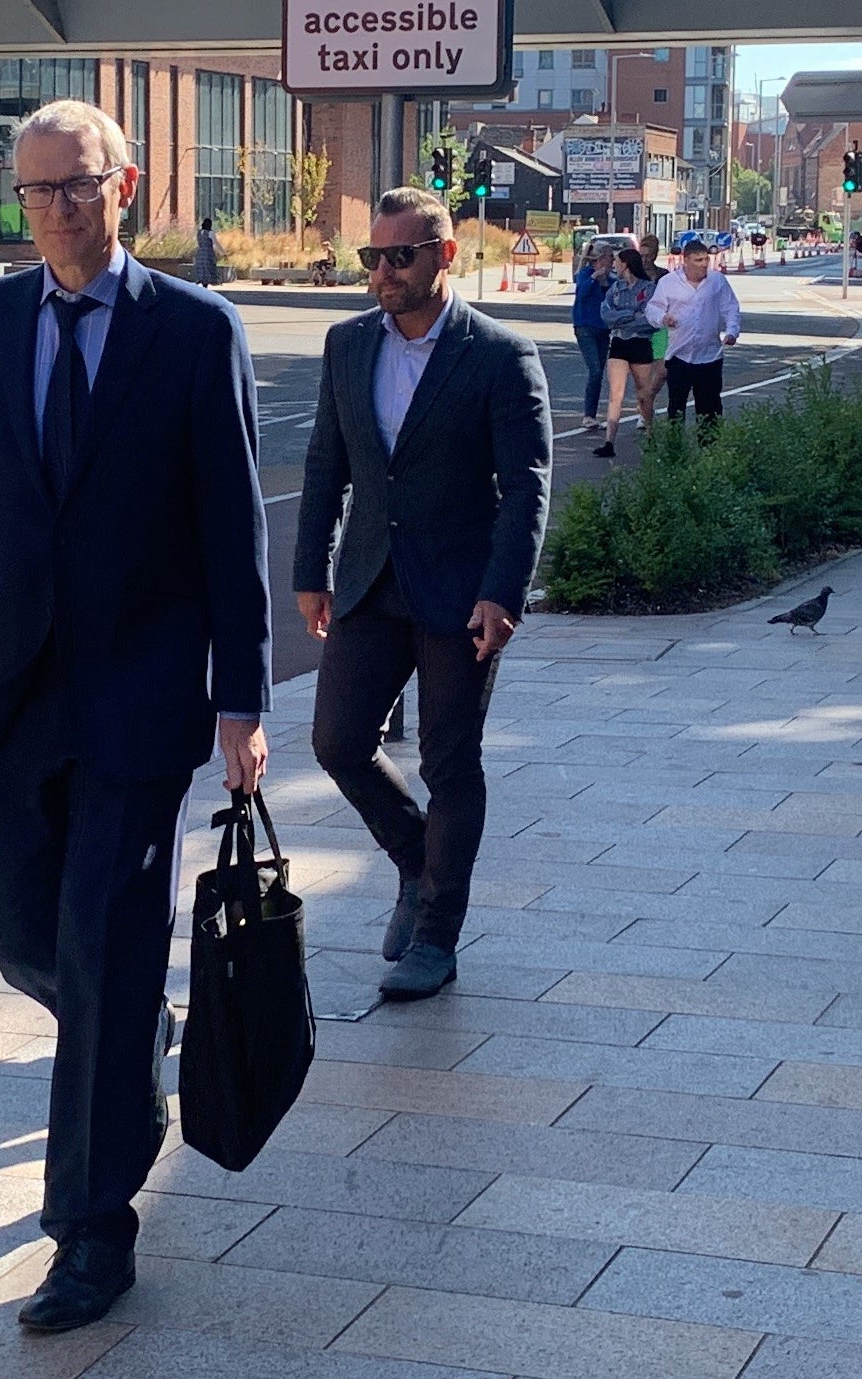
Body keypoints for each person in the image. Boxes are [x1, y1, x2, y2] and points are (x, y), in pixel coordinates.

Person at [0, 99, 271, 1334]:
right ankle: (130, 1032)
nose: (55, 213)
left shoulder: (193, 331)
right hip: (13, 694)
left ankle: (88, 1231)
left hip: (139, 701)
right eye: (33, 194)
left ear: (123, 186)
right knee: (21, 933)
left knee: (102, 936)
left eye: (76, 187)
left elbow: (232, 527)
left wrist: (241, 696)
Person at [293, 186, 553, 1002]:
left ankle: (437, 935)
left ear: (446, 255)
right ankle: (416, 856)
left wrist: (502, 593)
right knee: (337, 740)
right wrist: (310, 572)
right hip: (370, 582)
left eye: (400, 256)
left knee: (450, 761)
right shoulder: (347, 345)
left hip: (458, 594)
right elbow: (325, 466)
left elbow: (528, 486)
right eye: (373, 256)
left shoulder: (500, 356)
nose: (383, 272)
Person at [645, 238, 740, 434]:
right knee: (676, 407)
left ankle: (710, 452)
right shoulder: (668, 283)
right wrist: (663, 318)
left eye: (705, 259)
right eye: (698, 260)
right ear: (685, 260)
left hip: (710, 356)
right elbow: (652, 309)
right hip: (680, 355)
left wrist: (732, 331)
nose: (704, 264)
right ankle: (675, 448)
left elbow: (731, 307)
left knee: (710, 409)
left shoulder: (716, 281)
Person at [593, 248, 657, 459]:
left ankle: (651, 435)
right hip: (619, 342)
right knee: (615, 394)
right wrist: (630, 314)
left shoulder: (648, 288)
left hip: (640, 343)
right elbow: (606, 315)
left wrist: (627, 318)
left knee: (643, 394)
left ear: (626, 264)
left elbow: (649, 319)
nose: (614, 266)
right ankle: (609, 442)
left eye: (618, 262)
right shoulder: (615, 288)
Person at [571, 244, 614, 431]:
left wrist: (605, 282)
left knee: (600, 371)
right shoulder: (585, 273)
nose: (613, 261)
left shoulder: (609, 278)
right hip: (585, 326)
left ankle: (593, 415)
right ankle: (588, 415)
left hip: (603, 328)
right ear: (602, 258)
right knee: (595, 370)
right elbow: (581, 294)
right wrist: (594, 278)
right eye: (610, 257)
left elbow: (612, 297)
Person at [635, 232, 670, 423]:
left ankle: (647, 400)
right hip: (639, 330)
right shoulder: (634, 276)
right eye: (641, 255)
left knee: (663, 372)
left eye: (648, 256)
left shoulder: (664, 276)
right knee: (643, 376)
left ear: (655, 255)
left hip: (660, 329)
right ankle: (645, 411)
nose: (645, 260)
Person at [193, 216, 223, 287]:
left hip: (200, 252)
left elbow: (198, 242)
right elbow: (216, 243)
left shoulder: (199, 232)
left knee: (201, 269)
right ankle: (206, 285)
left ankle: (201, 282)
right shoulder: (210, 233)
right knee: (208, 268)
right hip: (208, 253)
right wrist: (222, 251)